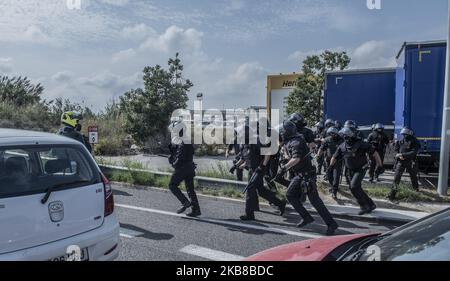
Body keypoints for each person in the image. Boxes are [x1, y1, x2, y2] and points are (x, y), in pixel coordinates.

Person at [277, 121, 338, 236]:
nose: (281, 133)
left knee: (315, 201)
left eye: (283, 131)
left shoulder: (296, 142)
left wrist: (284, 168)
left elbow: (296, 159)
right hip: (299, 175)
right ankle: (306, 217)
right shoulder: (291, 141)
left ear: (287, 132)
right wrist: (285, 155)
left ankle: (332, 224)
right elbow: (290, 157)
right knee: (290, 195)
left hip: (307, 176)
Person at [236, 125, 286, 221]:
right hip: (252, 170)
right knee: (261, 191)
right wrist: (236, 166)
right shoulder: (243, 144)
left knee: (250, 190)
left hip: (259, 169)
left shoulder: (257, 140)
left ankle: (249, 214)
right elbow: (244, 158)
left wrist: (262, 166)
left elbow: (267, 153)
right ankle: (280, 203)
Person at [329, 127, 383, 215]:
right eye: (343, 136)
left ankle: (364, 206)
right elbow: (334, 157)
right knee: (356, 188)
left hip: (361, 168)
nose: (344, 138)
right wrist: (330, 167)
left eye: (345, 136)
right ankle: (371, 204)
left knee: (353, 187)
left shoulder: (361, 144)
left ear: (349, 135)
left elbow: (375, 153)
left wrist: (380, 165)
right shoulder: (342, 146)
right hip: (350, 170)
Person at [167, 121, 201, 217]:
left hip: (183, 168)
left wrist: (173, 163)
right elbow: (181, 154)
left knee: (172, 185)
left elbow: (179, 158)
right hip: (190, 167)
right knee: (190, 189)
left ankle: (185, 202)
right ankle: (196, 210)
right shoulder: (186, 140)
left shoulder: (182, 141)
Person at [389, 127, 421, 201]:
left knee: (413, 177)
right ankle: (392, 195)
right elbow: (396, 151)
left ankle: (416, 191)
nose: (405, 136)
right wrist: (398, 156)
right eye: (403, 134)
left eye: (406, 134)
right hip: (401, 162)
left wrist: (402, 155)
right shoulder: (401, 141)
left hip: (411, 161)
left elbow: (413, 152)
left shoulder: (415, 141)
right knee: (396, 178)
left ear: (410, 134)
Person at [318, 127, 344, 199]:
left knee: (336, 177)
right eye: (331, 134)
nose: (332, 135)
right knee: (329, 176)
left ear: (336, 133)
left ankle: (334, 192)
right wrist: (318, 155)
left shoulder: (341, 140)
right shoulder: (327, 140)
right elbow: (322, 148)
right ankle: (333, 187)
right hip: (328, 161)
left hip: (338, 161)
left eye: (334, 134)